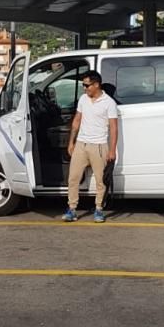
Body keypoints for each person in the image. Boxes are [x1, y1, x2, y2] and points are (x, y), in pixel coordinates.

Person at [63, 71, 118, 223]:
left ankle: (99, 209)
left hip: (99, 146)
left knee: (101, 181)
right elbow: (77, 120)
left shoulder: (109, 103)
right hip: (81, 144)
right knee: (73, 178)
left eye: (87, 85)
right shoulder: (83, 99)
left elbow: (113, 128)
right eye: (83, 85)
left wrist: (112, 150)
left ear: (96, 85)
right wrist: (71, 142)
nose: (84, 88)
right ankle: (72, 209)